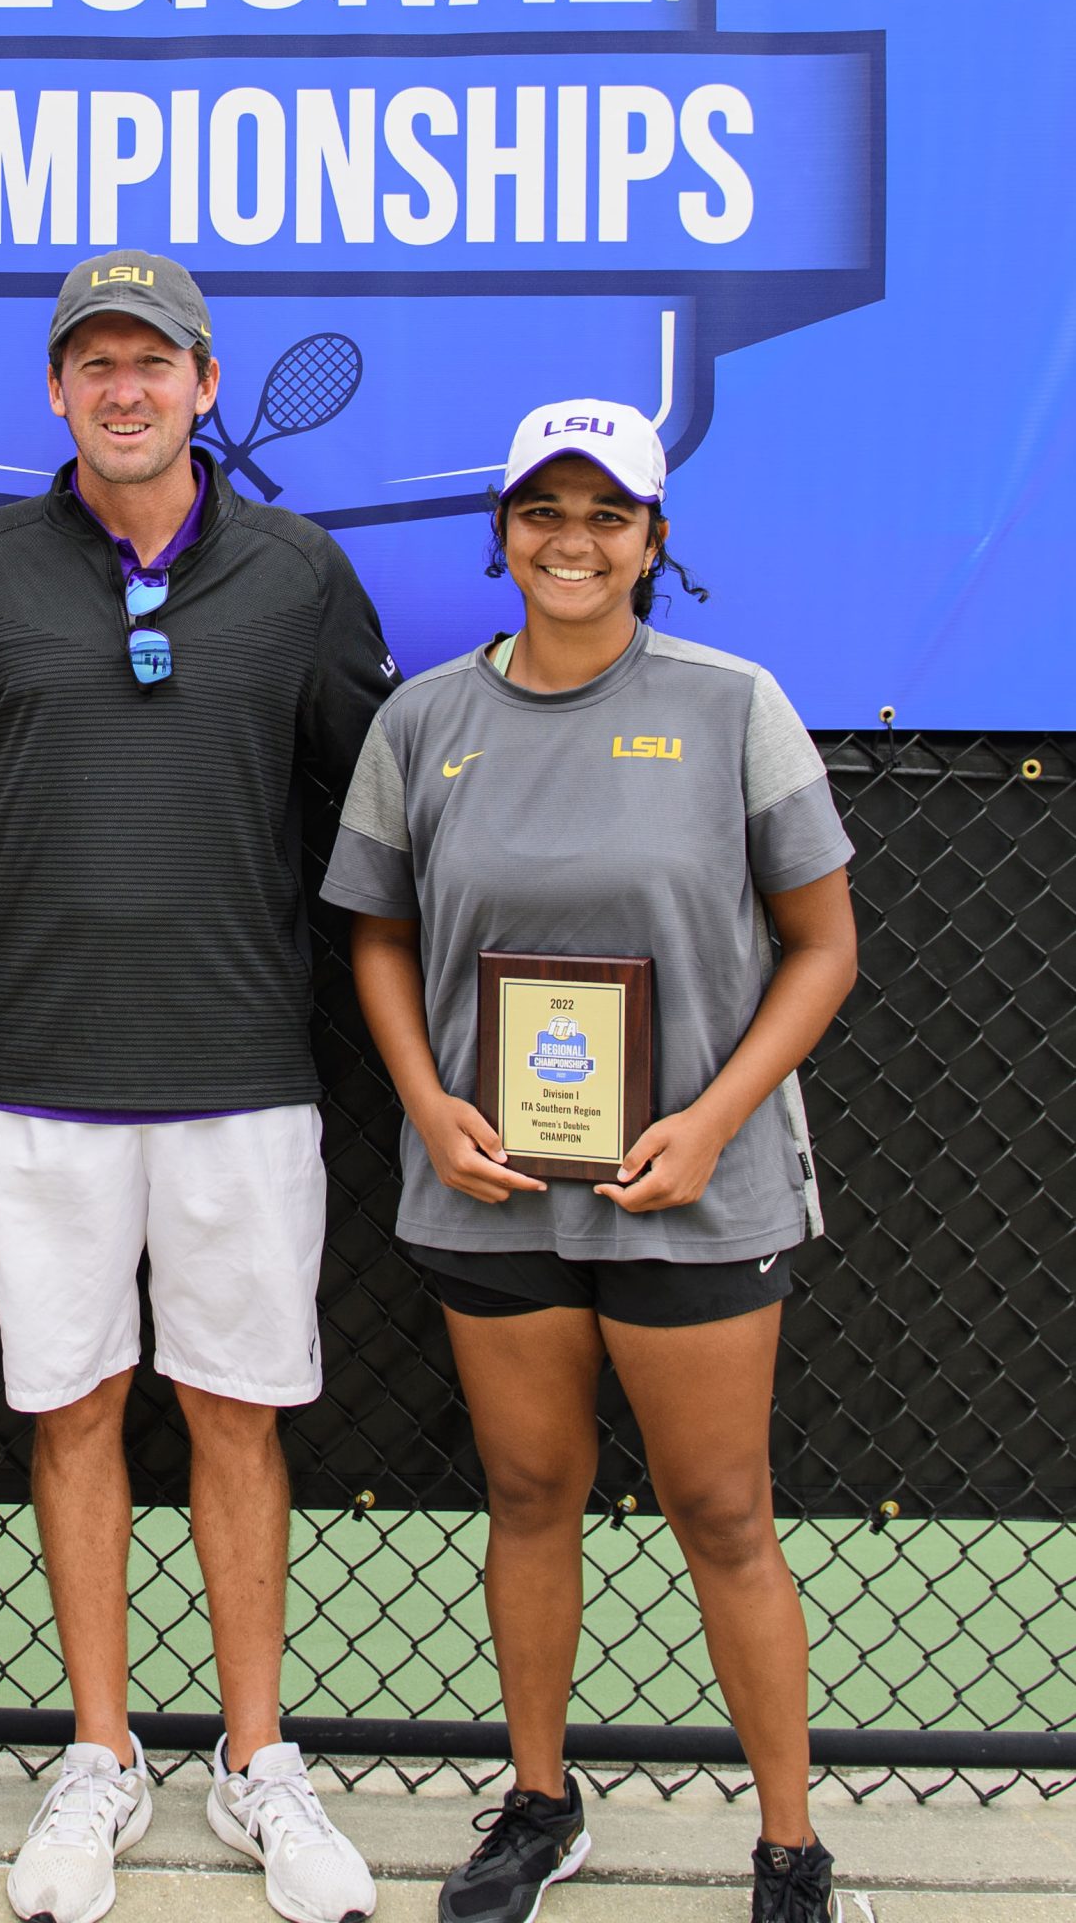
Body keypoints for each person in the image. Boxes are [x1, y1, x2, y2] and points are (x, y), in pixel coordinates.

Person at [320, 399, 858, 1923]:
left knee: (725, 1513)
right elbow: (375, 935)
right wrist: (427, 1102)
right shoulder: (423, 722)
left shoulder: (729, 702)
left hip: (696, 1185)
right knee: (532, 1489)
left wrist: (714, 1120)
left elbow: (824, 948)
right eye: (543, 512)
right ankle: (542, 1802)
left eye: (605, 514)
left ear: (652, 540)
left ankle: (789, 1847)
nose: (572, 541)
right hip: (494, 1192)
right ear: (499, 536)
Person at [0, 252, 396, 1923]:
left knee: (234, 1411)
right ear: (57, 392)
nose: (124, 389)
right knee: (68, 1410)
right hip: (40, 1074)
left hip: (245, 1076)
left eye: (155, 362)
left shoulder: (300, 572)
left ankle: (258, 1759)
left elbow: (364, 814)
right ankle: (103, 1753)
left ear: (208, 383)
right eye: (94, 364)